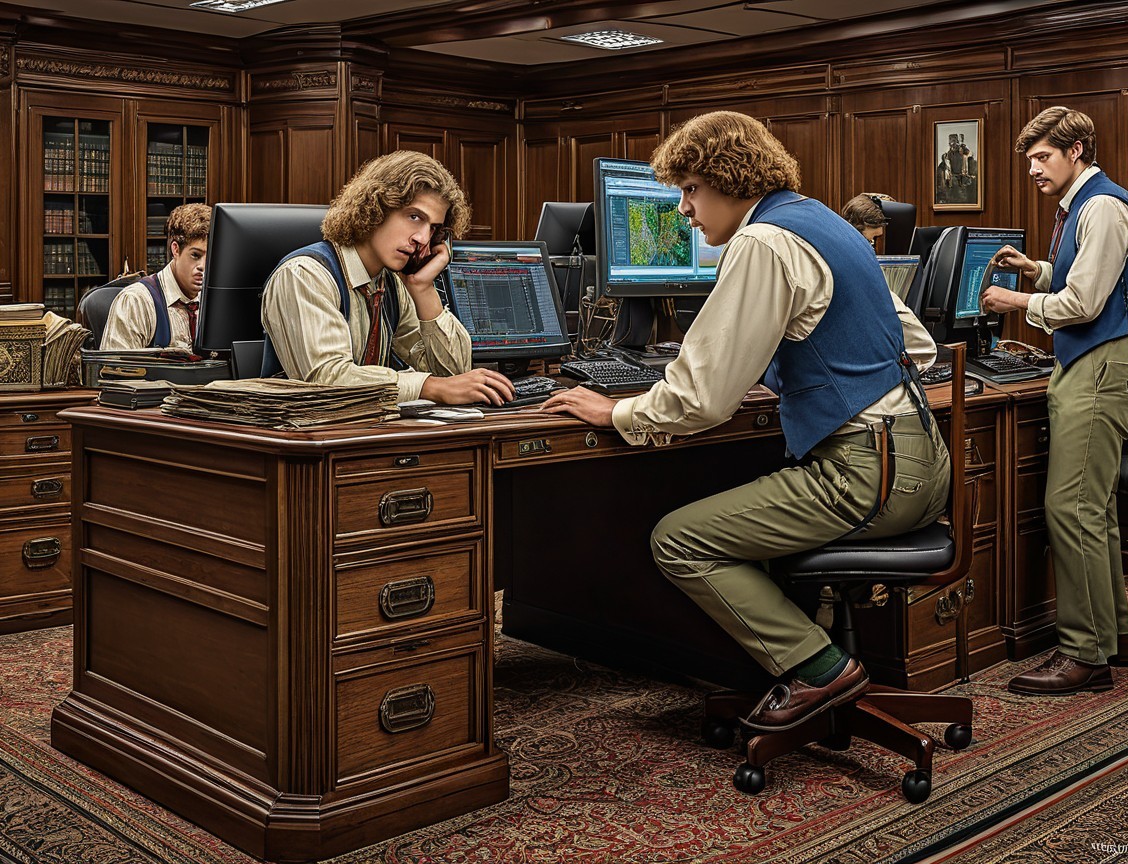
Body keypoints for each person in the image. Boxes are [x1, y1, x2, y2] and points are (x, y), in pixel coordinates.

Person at [541, 111, 950, 732]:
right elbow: (915, 347)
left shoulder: (761, 242)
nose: (683, 210)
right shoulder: (825, 224)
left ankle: (819, 669)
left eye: (691, 190)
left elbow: (702, 399)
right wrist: (790, 363)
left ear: (729, 180)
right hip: (921, 466)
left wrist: (615, 409)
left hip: (864, 475)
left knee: (680, 540)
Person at [980, 106, 1128, 695]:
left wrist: (1015, 301)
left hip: (1100, 367)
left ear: (1076, 151)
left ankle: (1083, 655)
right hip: (1096, 365)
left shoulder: (1101, 206)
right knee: (1093, 511)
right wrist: (1038, 270)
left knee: (1069, 510)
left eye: (1042, 157)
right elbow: (1086, 278)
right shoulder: (1086, 206)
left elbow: (1084, 305)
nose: (1033, 169)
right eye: (1029, 160)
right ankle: (1114, 637)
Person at [261, 150, 515, 406]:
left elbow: (455, 377)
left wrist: (423, 287)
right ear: (375, 208)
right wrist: (429, 386)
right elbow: (327, 379)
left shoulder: (390, 283)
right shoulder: (305, 275)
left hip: (369, 433)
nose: (423, 239)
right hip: (303, 439)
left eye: (433, 228)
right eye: (414, 217)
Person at [101, 203, 211, 350]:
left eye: (210, 257)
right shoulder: (136, 301)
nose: (203, 266)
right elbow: (115, 371)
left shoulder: (214, 302)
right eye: (195, 255)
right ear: (175, 250)